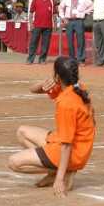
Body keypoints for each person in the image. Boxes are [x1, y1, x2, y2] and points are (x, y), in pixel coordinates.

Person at [7, 57, 96, 197]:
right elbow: (33, 90)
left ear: (58, 76)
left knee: (14, 162)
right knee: (22, 132)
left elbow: (67, 145)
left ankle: (62, 172)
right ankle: (56, 170)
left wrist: (59, 180)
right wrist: (44, 83)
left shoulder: (67, 102)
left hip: (73, 151)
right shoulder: (76, 87)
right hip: (73, 145)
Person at [59, 0, 93, 64]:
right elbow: (60, 8)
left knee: (80, 41)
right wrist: (63, 18)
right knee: (70, 41)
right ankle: (72, 59)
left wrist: (85, 13)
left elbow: (92, 6)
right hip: (69, 21)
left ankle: (81, 59)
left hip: (79, 21)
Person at [27, 0, 56, 64]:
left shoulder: (52, 1)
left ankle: (42, 59)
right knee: (33, 43)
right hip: (36, 25)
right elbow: (30, 13)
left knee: (45, 44)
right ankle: (30, 59)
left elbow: (54, 14)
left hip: (48, 26)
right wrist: (31, 24)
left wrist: (55, 25)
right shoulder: (35, 0)